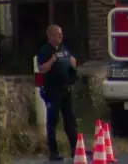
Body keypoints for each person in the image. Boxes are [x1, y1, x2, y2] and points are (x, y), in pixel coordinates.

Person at [37, 25, 78, 161]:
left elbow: (72, 62)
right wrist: (52, 60)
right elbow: (42, 68)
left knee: (70, 120)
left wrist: (73, 63)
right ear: (50, 36)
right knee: (53, 121)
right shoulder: (44, 50)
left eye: (61, 34)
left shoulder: (64, 49)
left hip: (66, 89)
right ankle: (53, 151)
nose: (61, 36)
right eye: (58, 34)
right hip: (53, 90)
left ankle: (75, 148)